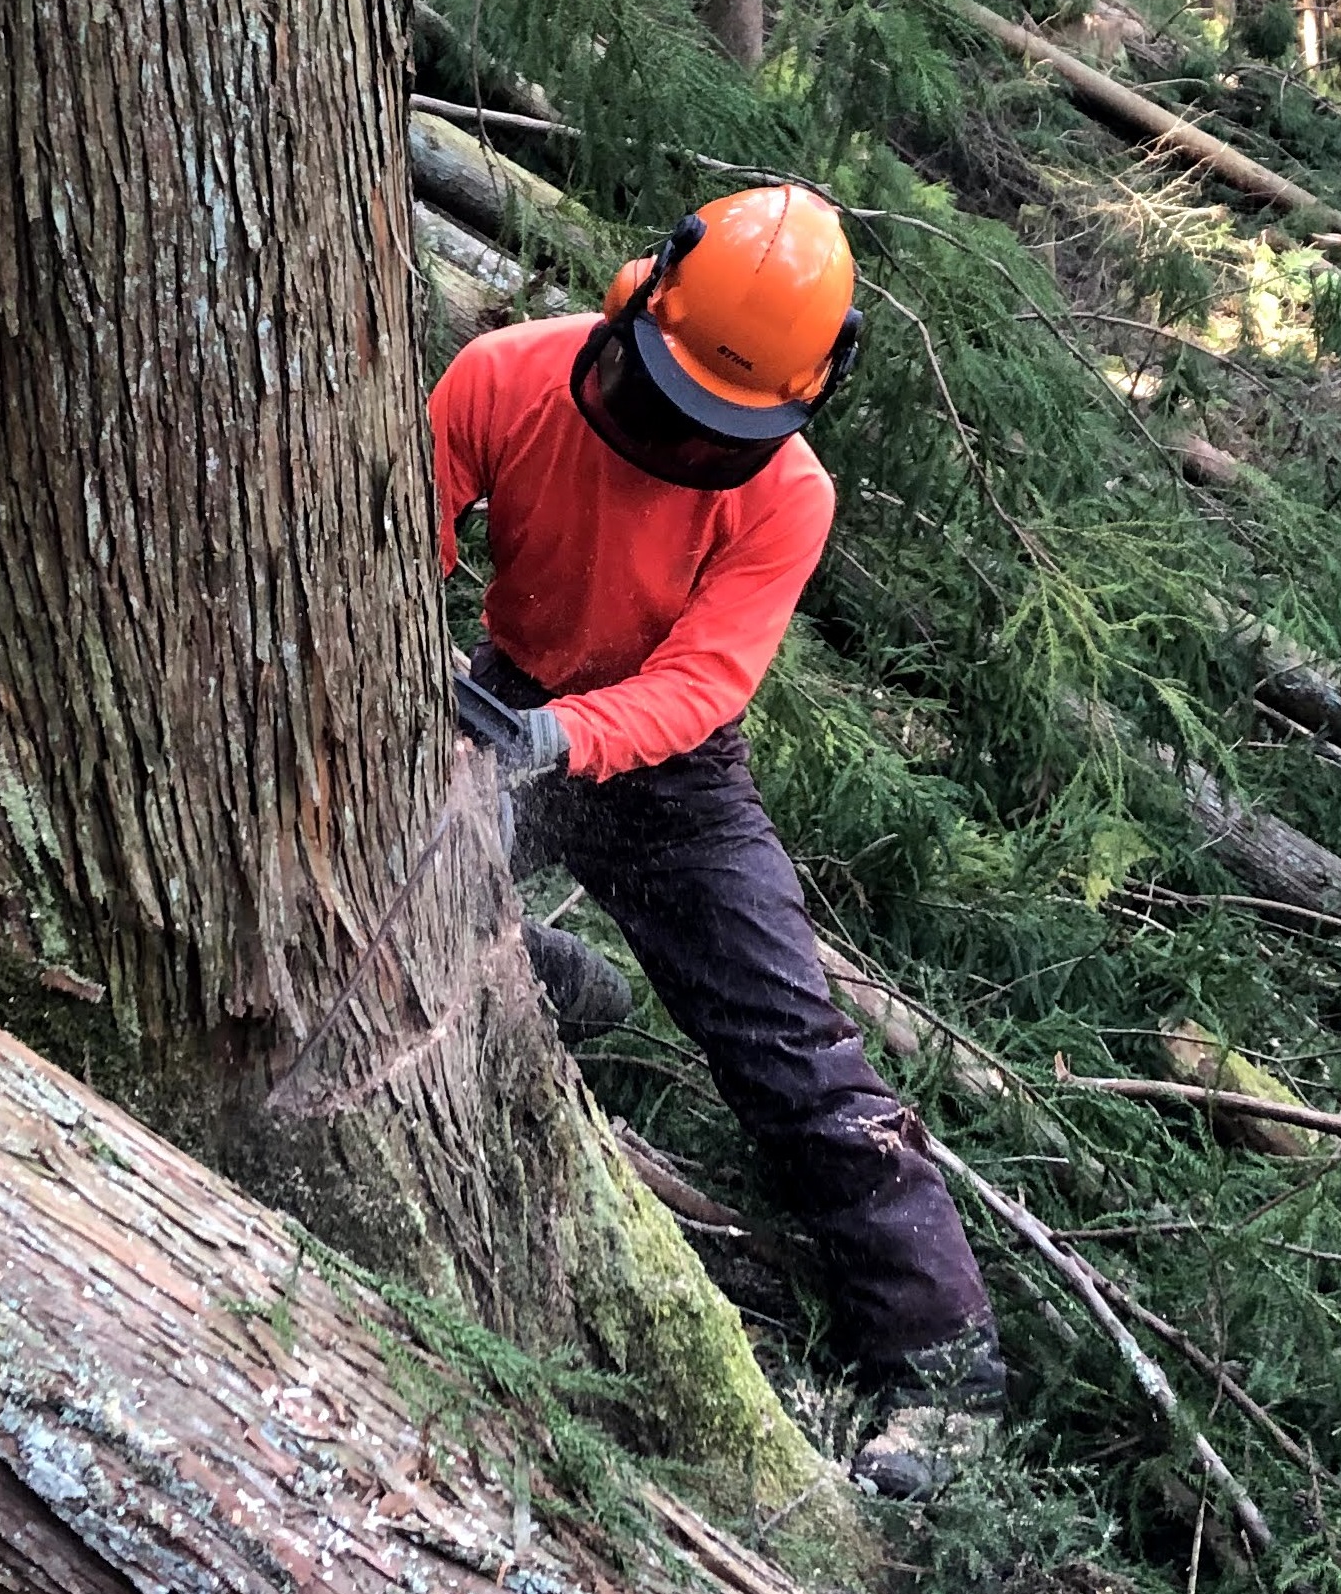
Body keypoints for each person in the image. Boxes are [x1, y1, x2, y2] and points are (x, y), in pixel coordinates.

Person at [429, 180, 1003, 1496]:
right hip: (506, 693)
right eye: (665, 408)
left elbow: (705, 682)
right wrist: (439, 694)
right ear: (637, 303)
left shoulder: (789, 497)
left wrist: (564, 744)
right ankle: (544, 973)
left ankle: (947, 1381)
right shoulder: (504, 378)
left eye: (720, 432)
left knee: (795, 1050)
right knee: (386, 871)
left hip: (673, 772)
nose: (678, 450)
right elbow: (378, 537)